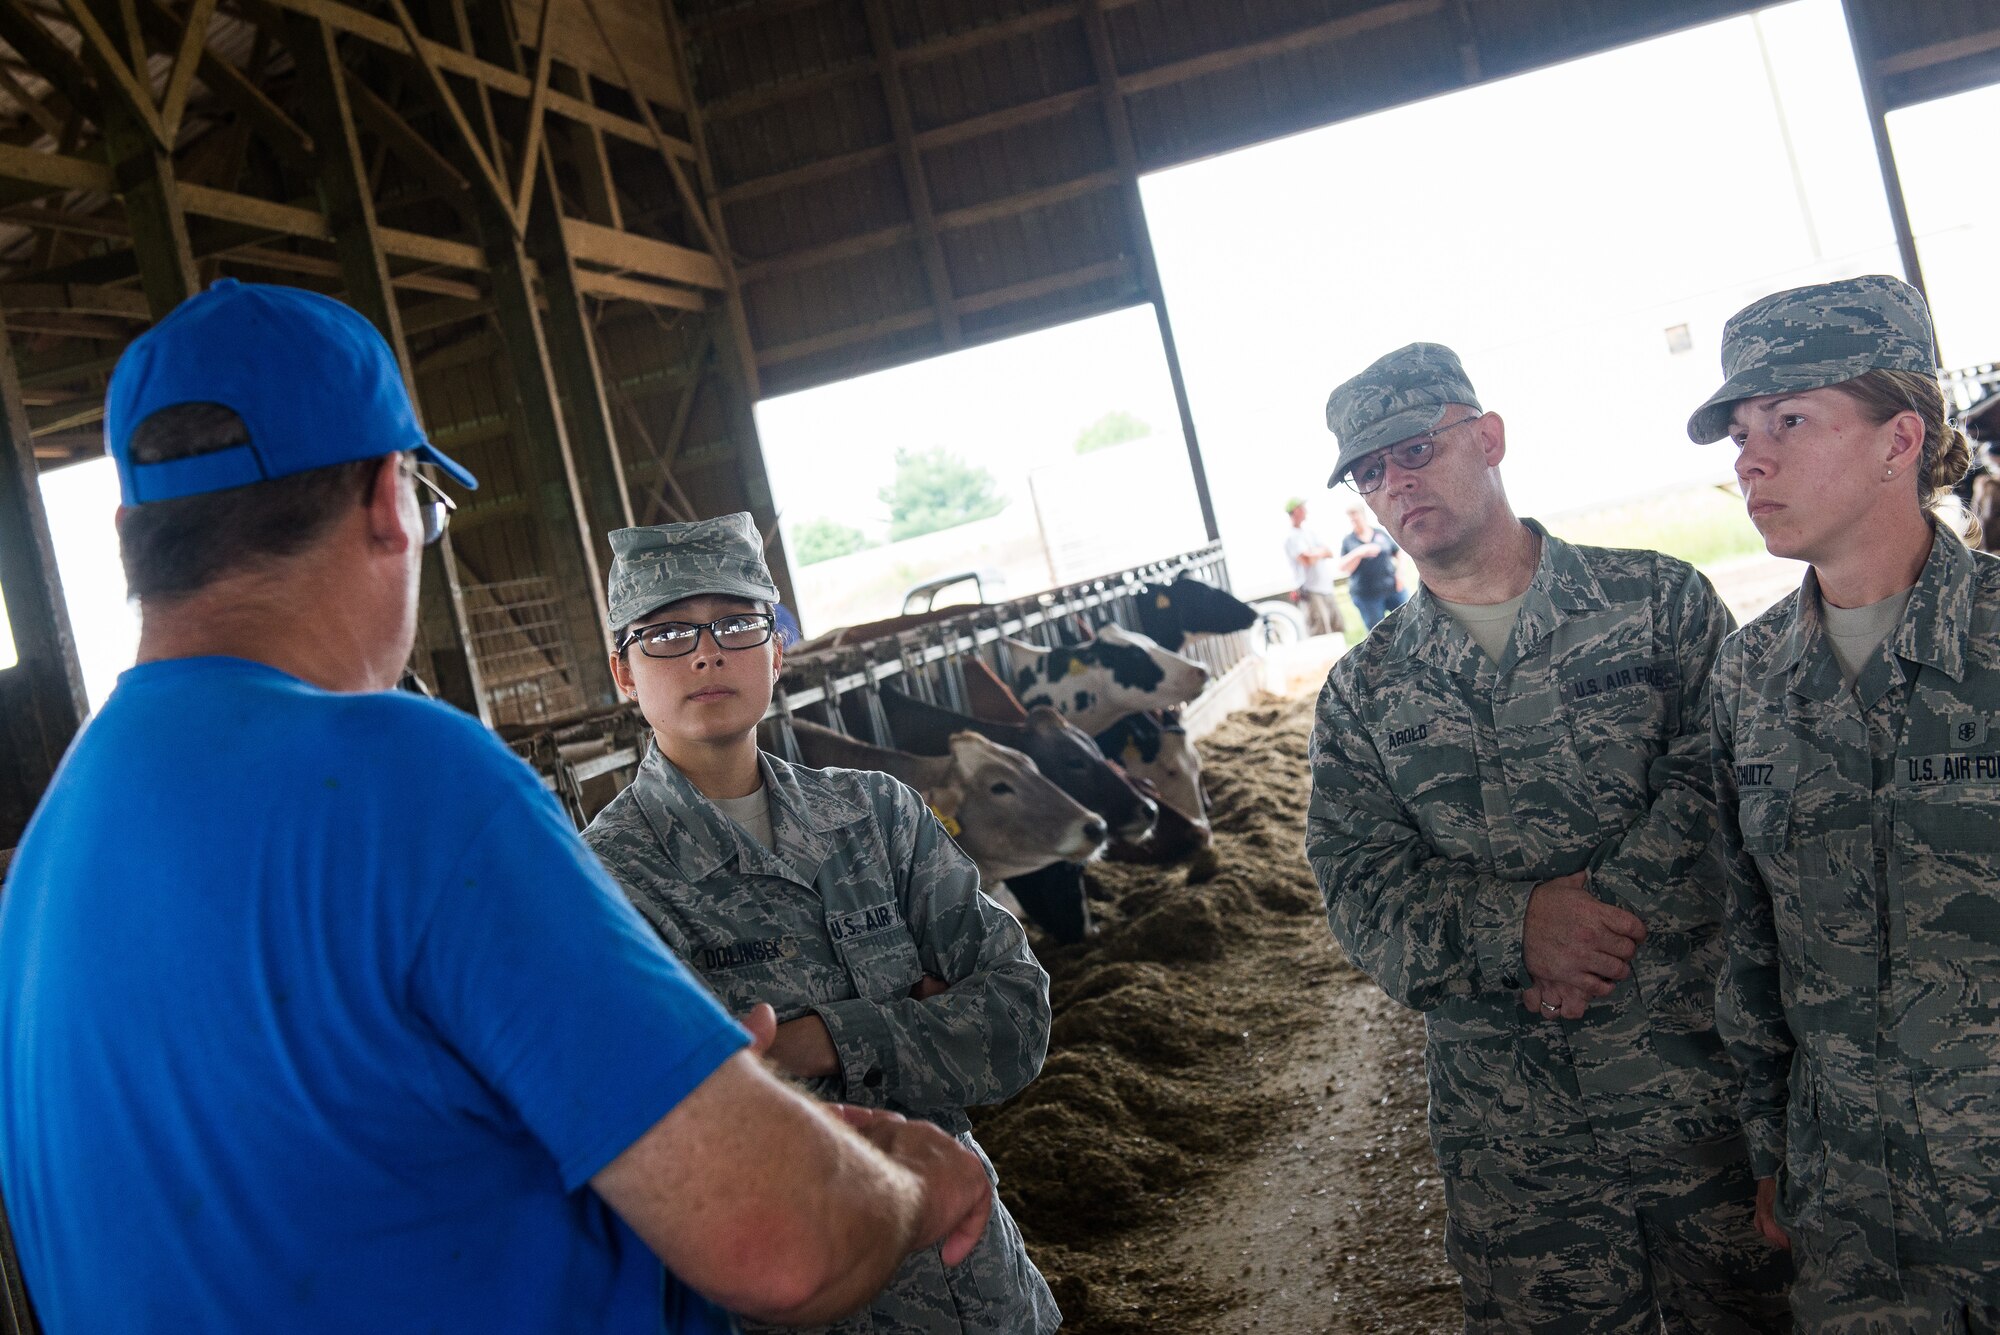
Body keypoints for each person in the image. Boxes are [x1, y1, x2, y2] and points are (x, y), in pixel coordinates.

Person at [0, 280, 993, 1333]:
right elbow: (785, 1251)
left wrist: (674, 1095)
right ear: (391, 498)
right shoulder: (399, 778)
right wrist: (901, 1177)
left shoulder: (48, 864)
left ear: (130, 533)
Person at [1305, 342, 1790, 1331]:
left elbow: (1728, 785)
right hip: (1517, 1152)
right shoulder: (1362, 693)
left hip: (1700, 1101)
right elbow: (1357, 887)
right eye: (1367, 471)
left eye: (1412, 449)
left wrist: (1596, 919)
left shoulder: (1656, 603)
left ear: (1487, 439)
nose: (1393, 484)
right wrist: (1513, 929)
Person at [581, 513, 1061, 1335]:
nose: (705, 652)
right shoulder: (602, 883)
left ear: (776, 650)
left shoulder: (879, 814)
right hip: (800, 1307)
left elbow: (1016, 1022)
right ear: (623, 673)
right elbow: (687, 1132)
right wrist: (916, 1025)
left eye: (735, 623)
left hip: (980, 1292)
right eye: (665, 634)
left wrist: (818, 1044)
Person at [1701, 275, 2000, 1331]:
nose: (1749, 457)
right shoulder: (1744, 678)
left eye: (1788, 419)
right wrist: (1773, 1152)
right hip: (1852, 1227)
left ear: (1897, 438)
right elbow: (1749, 944)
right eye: (1739, 431)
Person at [1336, 497, 1410, 630]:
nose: (1353, 521)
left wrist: (1400, 573)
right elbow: (1343, 567)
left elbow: (1398, 552)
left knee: (1410, 621)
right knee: (1380, 633)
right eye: (1350, 518)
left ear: (1362, 515)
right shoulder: (1349, 541)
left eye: (1355, 516)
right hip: (1367, 597)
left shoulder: (1379, 533)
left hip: (1393, 588)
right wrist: (1360, 552)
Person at [1283, 496, 1346, 636]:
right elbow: (1307, 561)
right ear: (1296, 511)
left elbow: (1329, 552)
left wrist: (1314, 553)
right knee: (1320, 630)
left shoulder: (1309, 532)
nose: (1306, 510)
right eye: (1302, 508)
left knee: (1337, 626)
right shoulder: (1291, 537)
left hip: (1325, 587)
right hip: (1310, 590)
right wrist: (1318, 553)